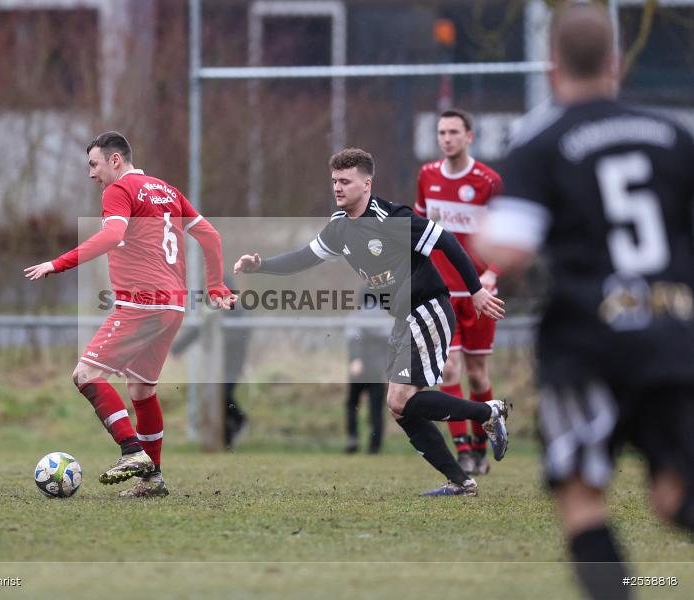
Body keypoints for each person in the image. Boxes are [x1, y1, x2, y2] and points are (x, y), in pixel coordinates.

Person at [476, 3, 694, 598]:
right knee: (675, 496)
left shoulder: (542, 143)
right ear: (617, 65)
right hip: (674, 336)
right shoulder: (675, 138)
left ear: (552, 69)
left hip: (587, 342)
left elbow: (511, 249)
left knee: (581, 497)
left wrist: (481, 240)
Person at [235, 147, 509, 497]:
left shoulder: (390, 218)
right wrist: (262, 266)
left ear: (366, 184)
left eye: (345, 181)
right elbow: (304, 258)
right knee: (401, 408)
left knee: (399, 400)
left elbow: (448, 241)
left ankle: (487, 413)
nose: (337, 187)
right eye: (334, 181)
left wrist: (475, 292)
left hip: (427, 308)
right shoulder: (339, 228)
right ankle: (462, 478)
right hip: (404, 318)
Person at [25, 131, 235, 498]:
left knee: (85, 374)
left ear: (115, 160)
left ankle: (132, 452)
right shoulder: (167, 191)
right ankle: (152, 481)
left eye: (94, 164)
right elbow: (210, 236)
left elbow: (111, 237)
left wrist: (57, 264)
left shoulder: (119, 190)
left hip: (142, 303)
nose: (91, 174)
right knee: (141, 389)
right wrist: (215, 285)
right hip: (172, 306)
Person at [415, 109, 504, 476]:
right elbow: (419, 231)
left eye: (454, 132)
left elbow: (504, 234)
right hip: (440, 292)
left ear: (469, 136)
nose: (446, 138)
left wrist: (491, 273)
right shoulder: (428, 176)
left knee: (478, 374)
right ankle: (463, 451)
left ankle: (482, 448)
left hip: (479, 293)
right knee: (448, 369)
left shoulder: (488, 181)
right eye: (441, 132)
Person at [171, 274, 251, 449]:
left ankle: (239, 420)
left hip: (231, 366)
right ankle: (228, 439)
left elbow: (237, 338)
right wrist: (177, 349)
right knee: (215, 399)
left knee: (222, 396)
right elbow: (197, 329)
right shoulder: (211, 312)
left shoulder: (237, 313)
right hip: (214, 366)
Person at [343, 287, 388, 455]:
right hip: (378, 369)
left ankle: (352, 437)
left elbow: (353, 340)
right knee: (376, 408)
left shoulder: (356, 317)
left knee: (351, 404)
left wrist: (355, 359)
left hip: (359, 368)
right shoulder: (384, 318)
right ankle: (374, 446)